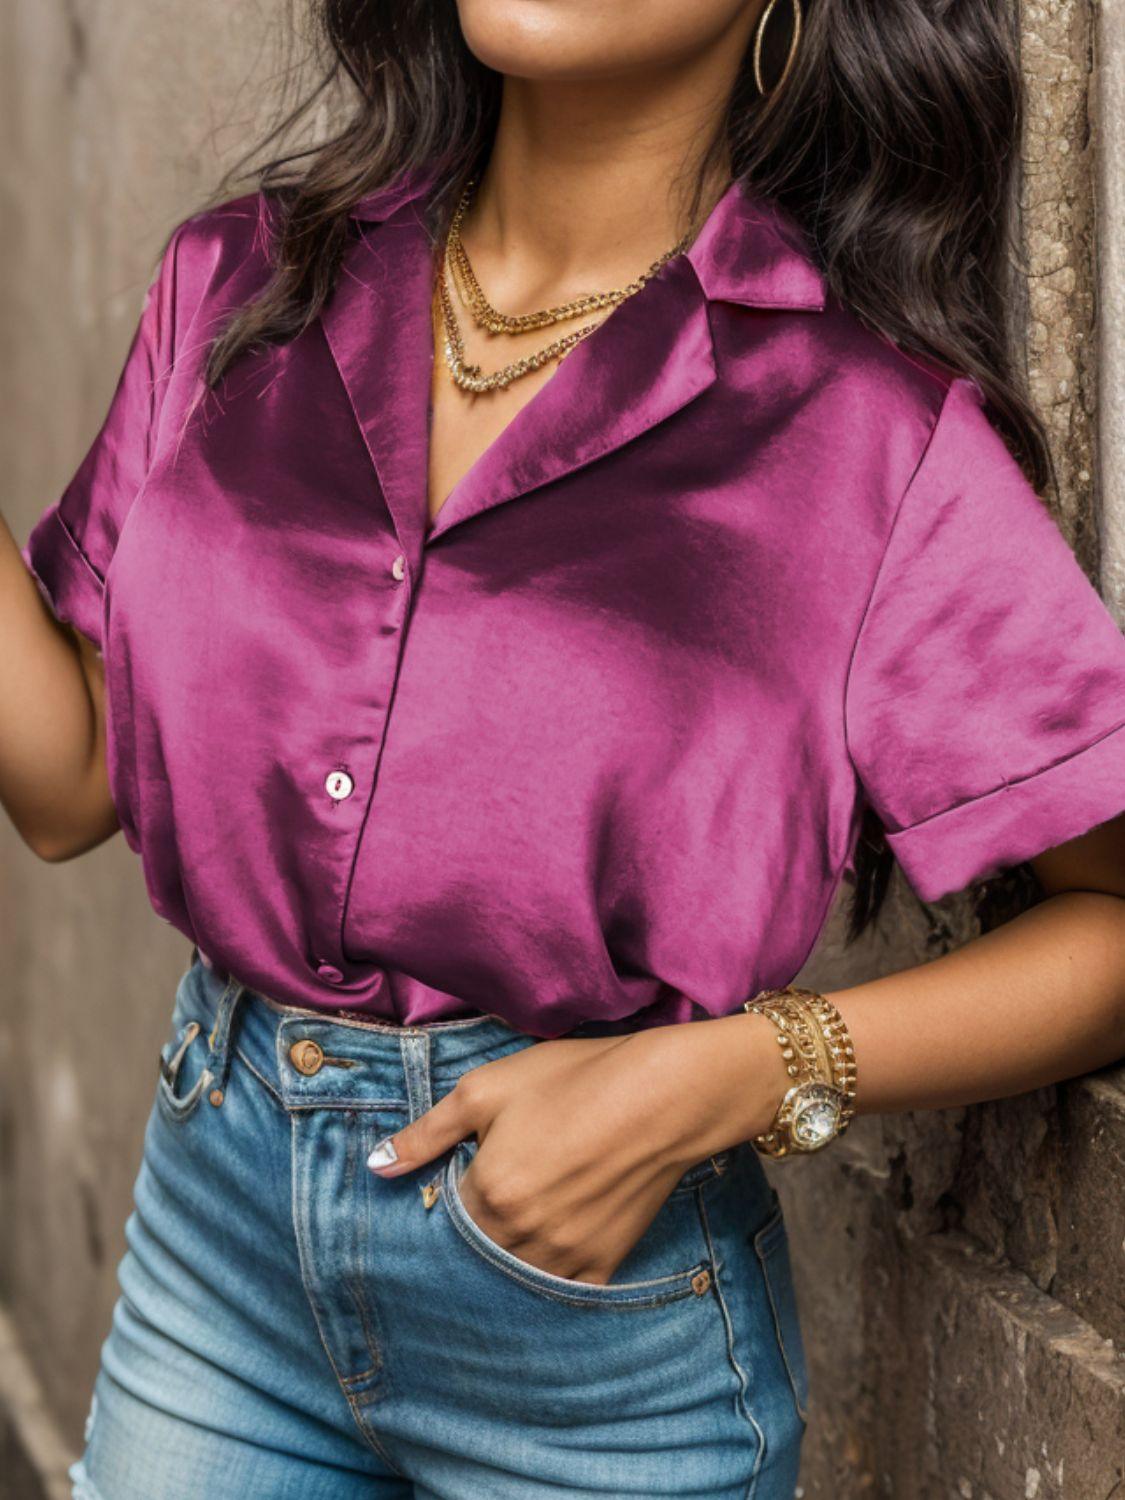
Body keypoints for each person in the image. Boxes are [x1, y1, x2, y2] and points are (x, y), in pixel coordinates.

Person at [4, 0, 1125, 1495]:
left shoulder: (863, 432)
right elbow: (68, 790)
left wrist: (742, 1072)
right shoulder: (243, 278)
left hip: (591, 1340)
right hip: (220, 1240)